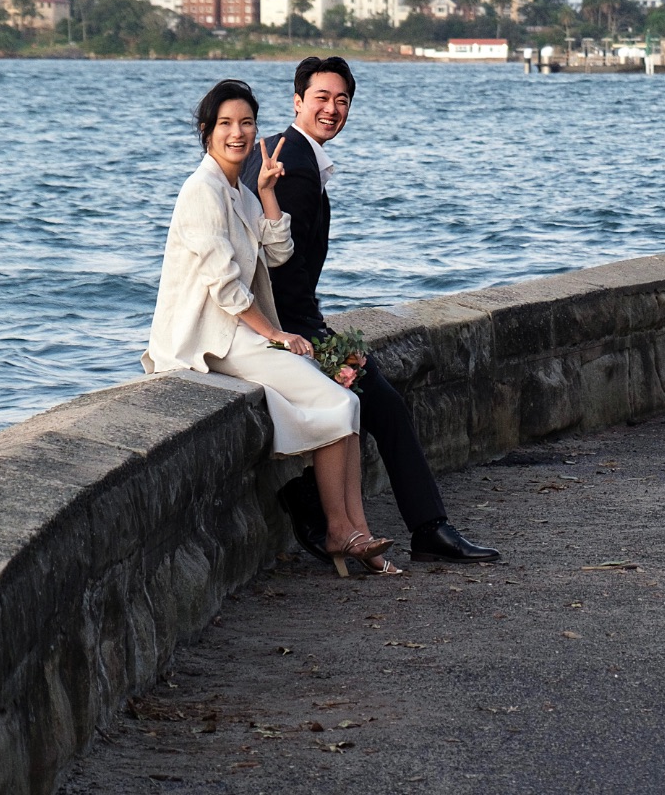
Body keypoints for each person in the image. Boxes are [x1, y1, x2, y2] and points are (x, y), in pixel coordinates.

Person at [241, 56, 500, 565]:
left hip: (290, 318)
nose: (332, 109)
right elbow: (279, 264)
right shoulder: (290, 163)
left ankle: (335, 506)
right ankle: (415, 527)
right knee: (380, 406)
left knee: (380, 406)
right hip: (287, 324)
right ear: (297, 101)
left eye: (342, 101)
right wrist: (303, 336)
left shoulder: (285, 150)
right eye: (322, 98)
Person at [142, 78, 395, 577]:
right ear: (206, 132)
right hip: (214, 335)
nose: (238, 134)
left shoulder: (238, 190)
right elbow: (227, 290)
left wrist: (267, 192)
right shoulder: (202, 190)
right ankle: (343, 531)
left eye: (247, 123)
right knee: (341, 400)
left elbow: (280, 251)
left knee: (345, 402)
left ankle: (353, 532)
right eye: (226, 125)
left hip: (240, 331)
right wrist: (276, 334)